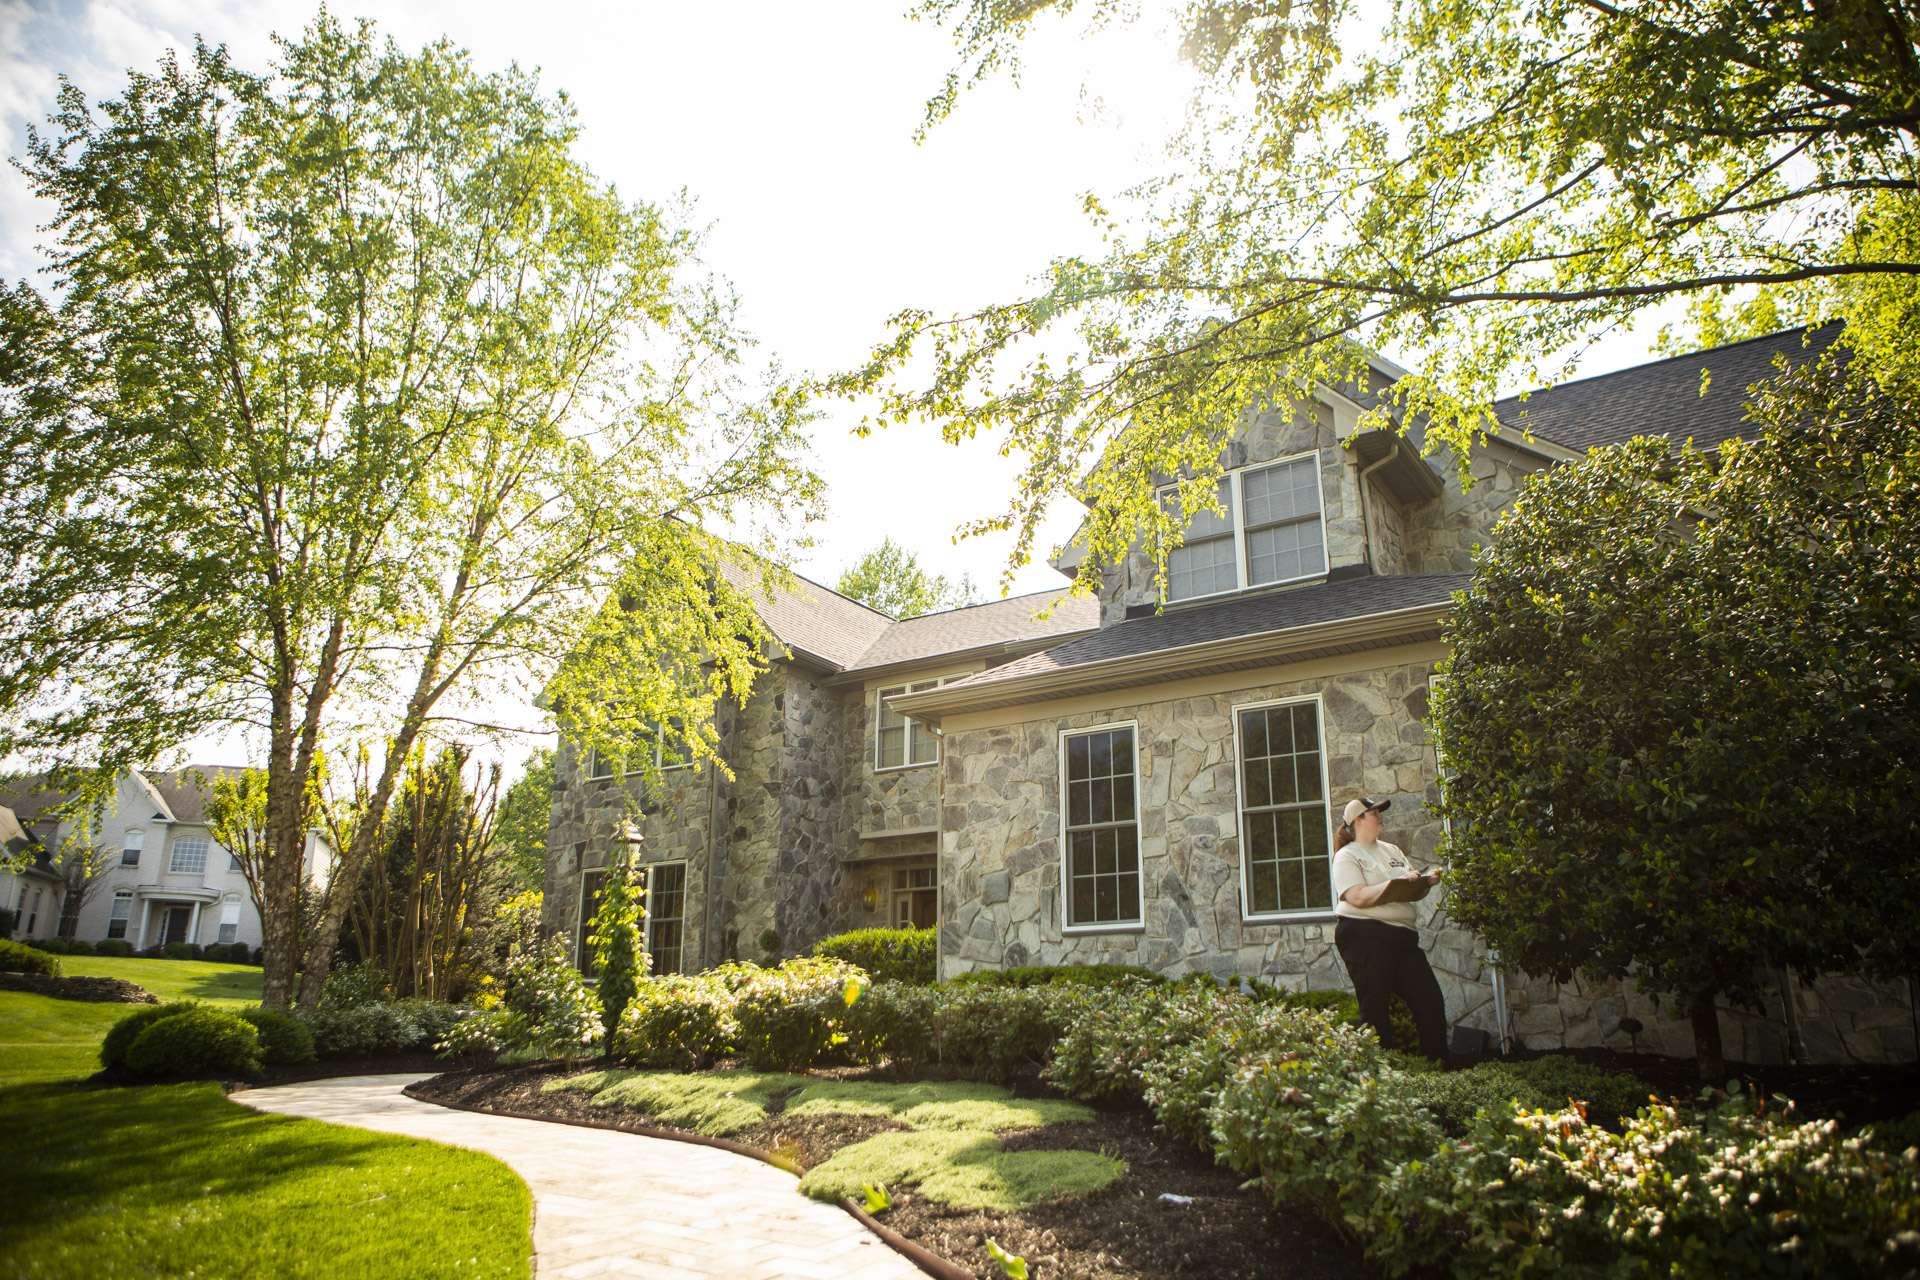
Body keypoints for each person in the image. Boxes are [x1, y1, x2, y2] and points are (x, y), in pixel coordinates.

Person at [1330, 796, 1450, 1062]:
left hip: (1403, 938)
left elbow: (1408, 884)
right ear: (1358, 820)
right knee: (1375, 1010)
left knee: (1429, 1000)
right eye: (1374, 812)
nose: (1380, 816)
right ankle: (1381, 1076)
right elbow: (1358, 897)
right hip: (1364, 936)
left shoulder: (1392, 850)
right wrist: (1394, 885)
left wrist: (1423, 881)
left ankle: (1438, 1067)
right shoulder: (1346, 856)